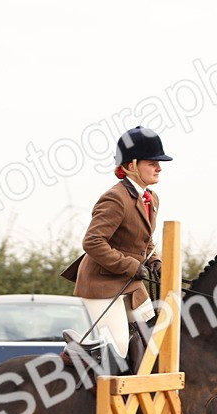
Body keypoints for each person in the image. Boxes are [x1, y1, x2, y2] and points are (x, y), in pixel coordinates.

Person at [61, 126, 171, 373]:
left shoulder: (151, 198)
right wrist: (132, 265)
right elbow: (93, 242)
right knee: (119, 345)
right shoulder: (115, 198)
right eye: (152, 162)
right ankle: (80, 351)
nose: (159, 167)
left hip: (130, 283)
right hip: (102, 283)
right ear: (132, 165)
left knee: (155, 332)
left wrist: (154, 260)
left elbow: (145, 240)